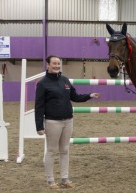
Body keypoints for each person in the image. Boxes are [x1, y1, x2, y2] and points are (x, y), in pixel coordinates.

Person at [35, 55, 101, 189]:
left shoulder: (65, 80)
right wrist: (39, 126)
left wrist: (89, 96)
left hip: (68, 121)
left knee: (65, 150)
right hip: (52, 122)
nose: (57, 66)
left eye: (58, 63)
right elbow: (39, 106)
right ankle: (50, 180)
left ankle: (65, 179)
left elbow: (75, 97)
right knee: (52, 151)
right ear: (48, 65)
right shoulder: (42, 84)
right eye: (54, 63)